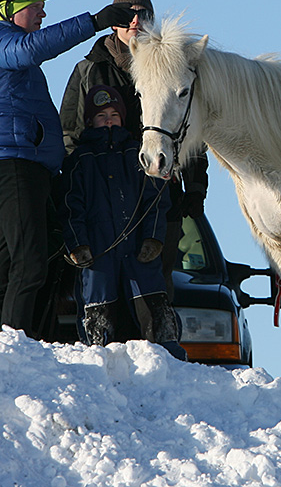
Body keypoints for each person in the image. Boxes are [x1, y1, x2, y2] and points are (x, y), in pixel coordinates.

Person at [0, 0, 137, 337]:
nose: (43, 13)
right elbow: (32, 48)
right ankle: (14, 342)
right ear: (8, 7)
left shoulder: (7, 50)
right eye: (36, 6)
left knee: (8, 266)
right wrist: (94, 22)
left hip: (21, 166)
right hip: (12, 165)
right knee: (30, 265)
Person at [59, 0, 208, 296]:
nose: (136, 21)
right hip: (102, 202)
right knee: (103, 289)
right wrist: (78, 187)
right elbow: (69, 135)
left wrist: (195, 187)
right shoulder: (89, 70)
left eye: (144, 15)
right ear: (114, 23)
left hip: (159, 198)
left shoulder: (173, 66)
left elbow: (189, 127)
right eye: (127, 14)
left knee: (156, 290)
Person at [60, 85, 186, 360]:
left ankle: (167, 358)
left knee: (152, 304)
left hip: (138, 248)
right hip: (98, 251)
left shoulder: (136, 154)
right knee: (99, 307)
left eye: (114, 115)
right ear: (90, 121)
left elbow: (156, 200)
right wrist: (77, 244)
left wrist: (153, 238)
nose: (108, 121)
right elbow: (70, 207)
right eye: (101, 116)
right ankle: (98, 358)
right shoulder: (80, 160)